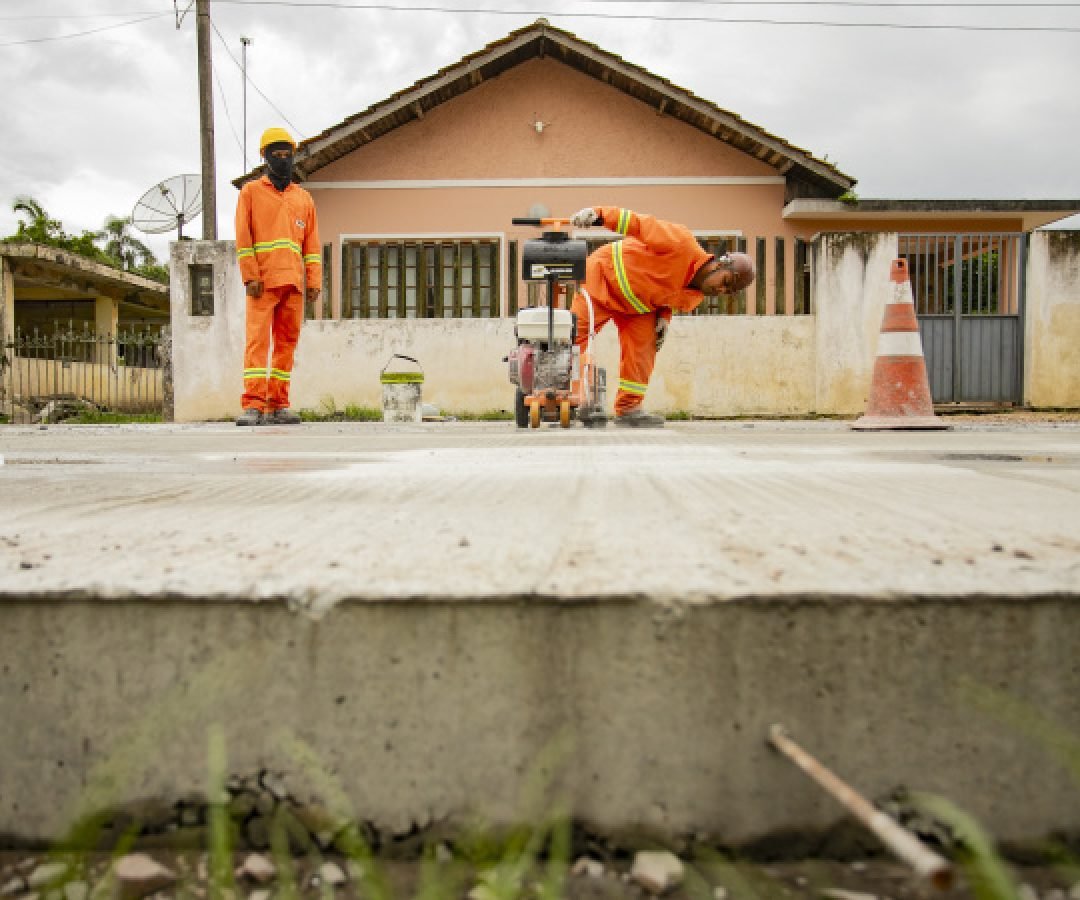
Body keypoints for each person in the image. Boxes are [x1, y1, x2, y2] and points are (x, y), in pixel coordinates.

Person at [569, 206, 755, 427]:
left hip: (637, 307)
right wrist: (599, 215)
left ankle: (629, 409)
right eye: (725, 282)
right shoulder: (681, 243)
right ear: (720, 263)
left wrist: (664, 319)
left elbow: (667, 300)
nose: (721, 291)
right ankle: (576, 401)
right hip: (602, 279)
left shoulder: (694, 297)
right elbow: (639, 224)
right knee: (573, 341)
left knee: (643, 350)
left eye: (728, 292)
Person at [234, 127, 322, 426]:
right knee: (257, 343)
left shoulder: (304, 199)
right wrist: (250, 277)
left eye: (288, 155)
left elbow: (311, 244)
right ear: (265, 157)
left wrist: (313, 281)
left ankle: (278, 404)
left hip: (294, 285)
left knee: (286, 345)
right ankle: (253, 405)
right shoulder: (251, 193)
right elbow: (243, 238)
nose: (283, 160)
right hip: (263, 282)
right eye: (277, 155)